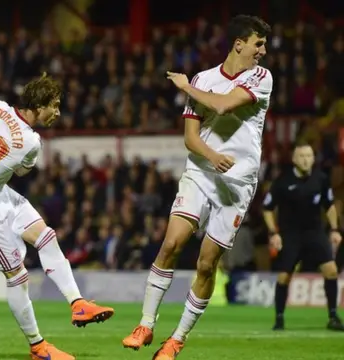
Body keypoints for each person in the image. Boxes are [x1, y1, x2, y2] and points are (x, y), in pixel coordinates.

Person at [0, 74, 114, 360]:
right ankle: (38, 347)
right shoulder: (31, 142)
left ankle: (77, 303)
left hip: (0, 194)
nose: (58, 112)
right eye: (55, 105)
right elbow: (23, 171)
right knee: (17, 276)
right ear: (39, 106)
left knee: (46, 236)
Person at [121, 15, 273, 360]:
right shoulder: (205, 78)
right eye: (258, 43)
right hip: (201, 174)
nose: (263, 50)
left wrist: (185, 86)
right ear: (239, 44)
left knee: (206, 265)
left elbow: (221, 104)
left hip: (237, 185)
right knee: (171, 243)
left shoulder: (261, 77)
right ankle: (145, 324)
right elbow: (190, 138)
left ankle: (176, 340)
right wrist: (211, 155)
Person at [263, 142, 343, 331]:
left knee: (331, 271)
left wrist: (334, 229)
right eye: (302, 156)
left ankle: (333, 317)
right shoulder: (282, 181)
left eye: (309, 156)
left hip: (315, 232)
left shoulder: (321, 179)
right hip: (291, 235)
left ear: (313, 159)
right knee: (284, 277)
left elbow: (329, 205)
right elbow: (267, 209)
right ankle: (279, 319)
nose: (306, 160)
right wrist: (274, 233)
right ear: (294, 159)